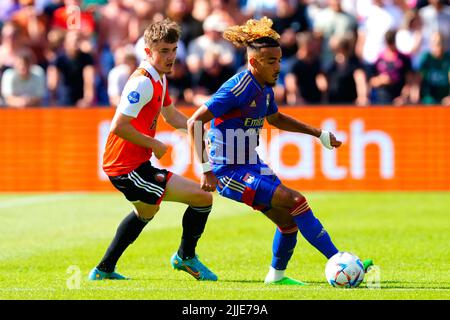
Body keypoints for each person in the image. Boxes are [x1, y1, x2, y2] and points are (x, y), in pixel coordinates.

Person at [187, 17, 373, 285]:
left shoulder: (265, 88)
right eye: (271, 61)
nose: (278, 67)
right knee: (296, 201)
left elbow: (275, 119)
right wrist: (206, 170)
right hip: (227, 170)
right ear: (254, 62)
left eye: (279, 60)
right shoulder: (238, 87)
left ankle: (276, 277)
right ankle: (340, 260)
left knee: (289, 222)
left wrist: (318, 134)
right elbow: (194, 123)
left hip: (252, 164)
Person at [88, 18, 217, 281]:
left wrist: (200, 128)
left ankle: (103, 270)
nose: (171, 57)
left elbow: (170, 116)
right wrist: (155, 144)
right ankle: (185, 257)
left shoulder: (160, 78)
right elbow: (118, 126)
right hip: (126, 167)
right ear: (148, 52)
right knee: (202, 198)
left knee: (146, 211)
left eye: (173, 50)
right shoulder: (142, 82)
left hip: (133, 165)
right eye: (164, 51)